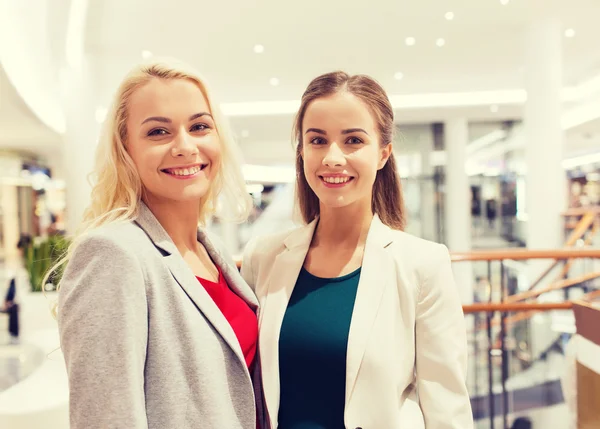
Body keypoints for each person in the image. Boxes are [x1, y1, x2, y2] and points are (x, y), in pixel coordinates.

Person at [242, 71, 473, 428]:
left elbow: (447, 407)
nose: (333, 157)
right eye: (318, 140)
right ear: (302, 151)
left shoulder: (422, 265)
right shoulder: (264, 257)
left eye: (353, 140)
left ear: (383, 153)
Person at [54, 59, 261, 429]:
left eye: (199, 126)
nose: (185, 146)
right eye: (158, 132)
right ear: (126, 149)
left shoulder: (210, 251)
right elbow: (107, 419)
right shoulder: (113, 252)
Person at [1, 234, 31, 344]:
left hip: (24, 298)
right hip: (19, 298)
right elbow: (13, 282)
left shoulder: (28, 261)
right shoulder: (21, 262)